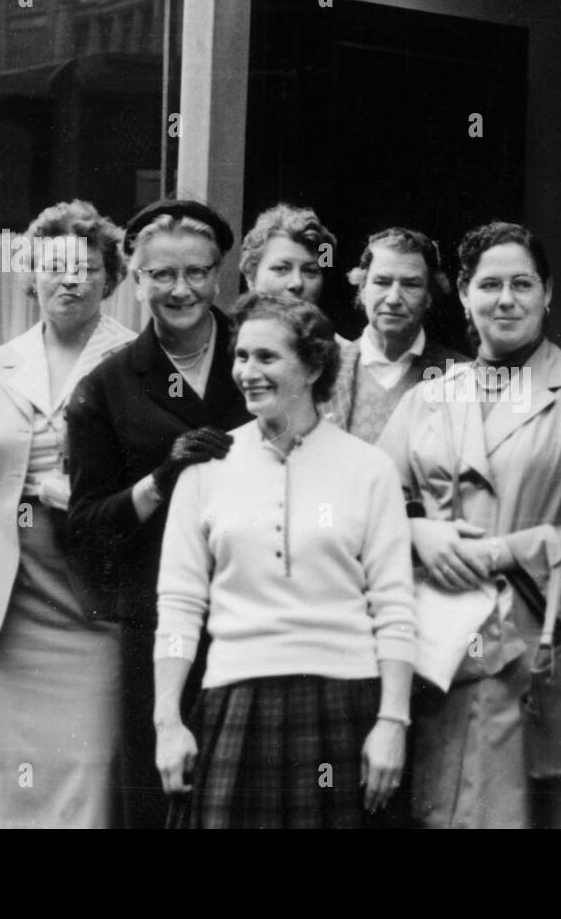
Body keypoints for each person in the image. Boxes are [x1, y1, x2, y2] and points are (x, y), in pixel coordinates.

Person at [377, 220, 561, 829]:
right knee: (441, 807)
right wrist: (417, 532)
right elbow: (371, 501)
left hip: (527, 652)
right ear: (463, 294)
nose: (506, 299)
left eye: (523, 283)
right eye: (489, 284)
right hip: (437, 653)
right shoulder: (431, 396)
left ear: (548, 293)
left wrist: (497, 553)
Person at [153, 292, 416, 828]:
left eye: (266, 357)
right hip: (234, 701)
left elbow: (394, 605)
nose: (247, 372)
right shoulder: (207, 468)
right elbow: (179, 606)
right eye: (241, 357)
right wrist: (168, 721)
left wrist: (393, 720)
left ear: (314, 364)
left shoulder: (370, 469)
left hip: (343, 704)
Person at [0, 199, 137, 828]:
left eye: (86, 267)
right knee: (4, 777)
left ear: (109, 278)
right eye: (54, 265)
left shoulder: (139, 365)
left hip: (95, 599)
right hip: (5, 607)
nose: (69, 279)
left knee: (88, 765)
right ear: (32, 275)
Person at [66, 197, 252, 829]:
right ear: (137, 280)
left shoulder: (262, 354)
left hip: (265, 611)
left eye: (196, 272)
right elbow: (88, 523)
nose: (181, 289)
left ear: (218, 275)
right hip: (159, 621)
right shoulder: (107, 386)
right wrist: (160, 479)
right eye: (162, 275)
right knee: (159, 797)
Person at [327, 227, 466, 443]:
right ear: (362, 289)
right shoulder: (325, 370)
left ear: (429, 296)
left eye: (410, 284)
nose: (393, 298)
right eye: (381, 282)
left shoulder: (461, 375)